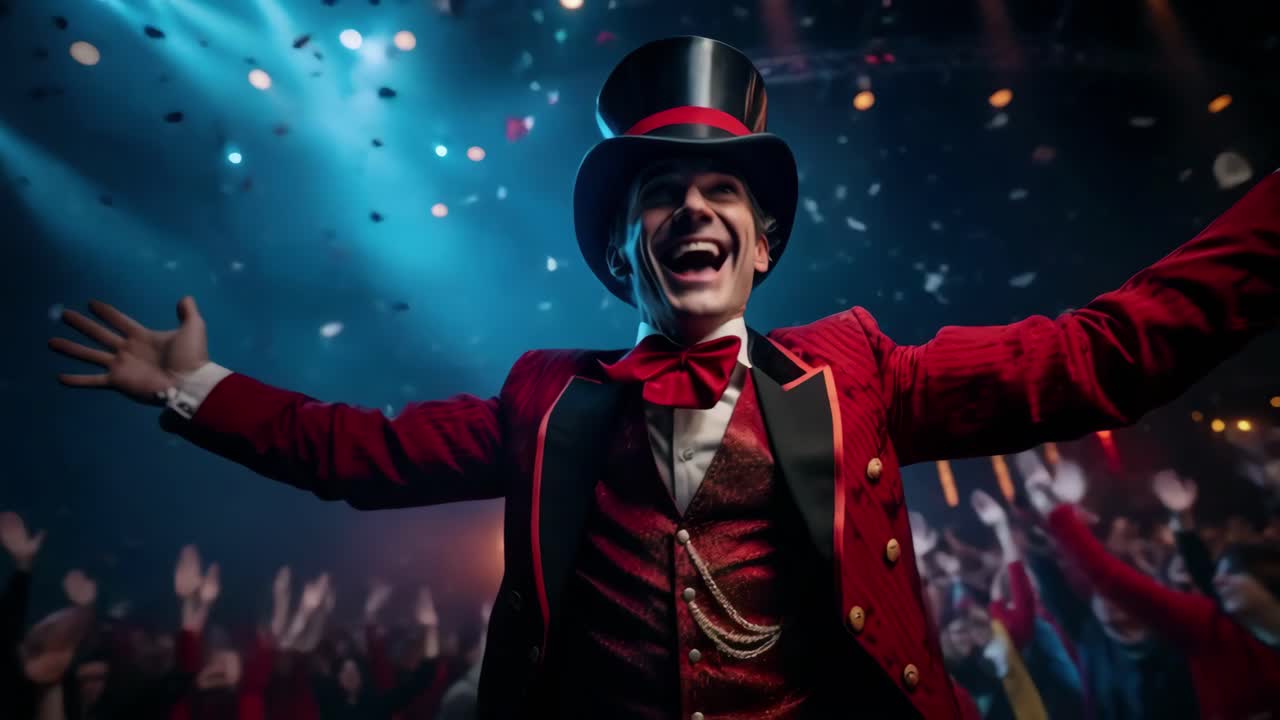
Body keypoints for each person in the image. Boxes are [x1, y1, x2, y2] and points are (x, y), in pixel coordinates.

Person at [47, 34, 1280, 719]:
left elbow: (1100, 353)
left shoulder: (852, 369)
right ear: (620, 251)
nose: (690, 209)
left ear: (761, 241)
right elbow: (357, 454)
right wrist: (193, 388)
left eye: (719, 192)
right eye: (659, 197)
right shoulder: (548, 397)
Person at [1023, 452, 1280, 719]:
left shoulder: (1215, 630)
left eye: (1233, 573)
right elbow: (1197, 576)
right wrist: (1182, 519)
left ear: (1267, 584)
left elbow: (1117, 577)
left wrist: (1059, 515)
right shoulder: (1210, 625)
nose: (1220, 579)